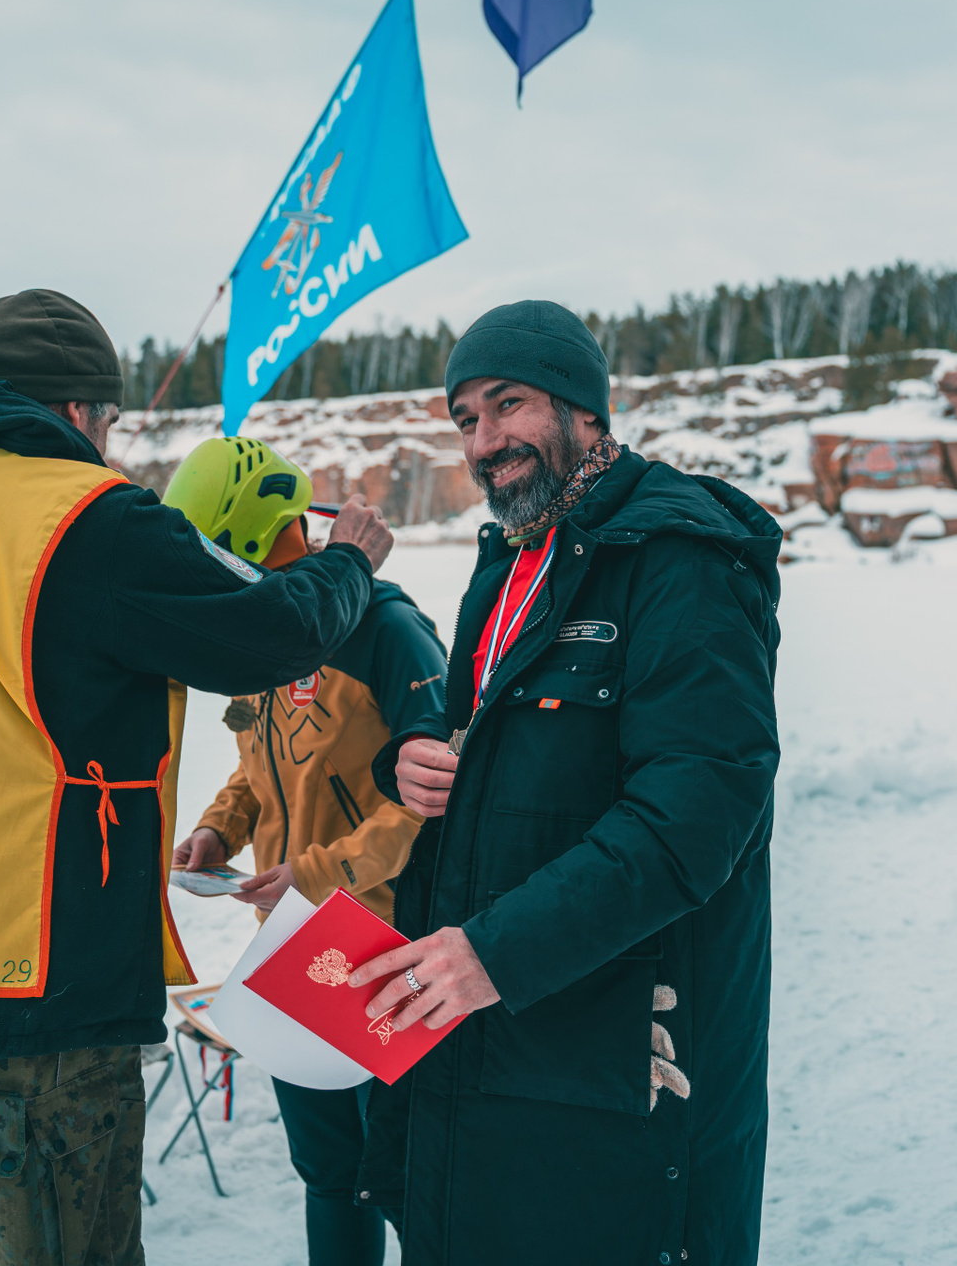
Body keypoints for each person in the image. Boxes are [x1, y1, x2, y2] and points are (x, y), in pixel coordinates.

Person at [0, 289, 397, 1266]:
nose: (108, 446)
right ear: (79, 410)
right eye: (108, 423)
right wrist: (347, 566)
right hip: (14, 993)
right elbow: (266, 632)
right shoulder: (78, 514)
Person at [349, 300, 783, 1265]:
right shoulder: (511, 560)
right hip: (498, 1041)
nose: (484, 442)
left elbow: (693, 817)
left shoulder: (678, 559)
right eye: (466, 418)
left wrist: (493, 953)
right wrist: (411, 757)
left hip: (624, 1055)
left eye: (509, 404)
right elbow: (485, 737)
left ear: (585, 407)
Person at [165, 438, 446, 1266]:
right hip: (293, 942)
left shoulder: (388, 630)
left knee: (400, 1176)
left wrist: (319, 872)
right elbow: (259, 768)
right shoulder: (268, 636)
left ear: (249, 539)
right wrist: (220, 828)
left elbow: (434, 797)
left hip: (383, 946)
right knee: (328, 1171)